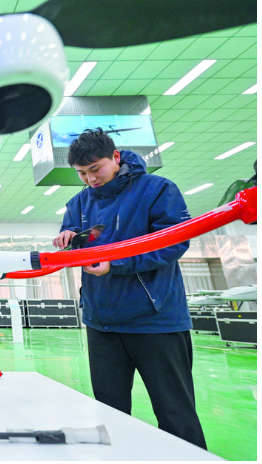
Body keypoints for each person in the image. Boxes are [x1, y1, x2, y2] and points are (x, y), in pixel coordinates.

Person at [53, 130, 206, 449]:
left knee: (175, 413)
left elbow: (173, 244)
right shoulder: (78, 202)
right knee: (110, 413)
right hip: (101, 323)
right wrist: (67, 237)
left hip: (155, 320)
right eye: (81, 173)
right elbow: (75, 241)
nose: (90, 179)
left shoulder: (157, 189)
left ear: (116, 157)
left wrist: (115, 263)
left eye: (95, 169)